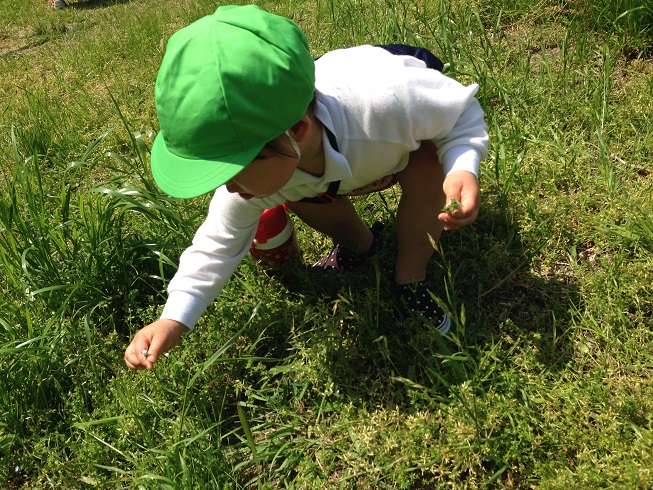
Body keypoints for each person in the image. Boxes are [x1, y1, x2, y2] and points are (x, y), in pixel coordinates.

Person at [124, 5, 489, 370]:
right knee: (293, 188)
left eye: (233, 170)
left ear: (296, 130)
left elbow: (460, 113)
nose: (227, 187)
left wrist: (462, 166)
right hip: (317, 159)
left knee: (430, 164)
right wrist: (173, 318)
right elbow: (217, 244)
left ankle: (410, 278)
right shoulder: (261, 172)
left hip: (396, 123)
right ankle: (365, 247)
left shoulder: (389, 104)